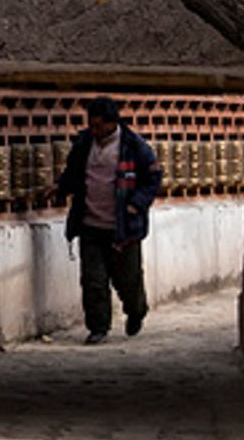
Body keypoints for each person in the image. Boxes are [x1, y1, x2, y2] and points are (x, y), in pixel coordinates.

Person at [52, 95, 163, 344]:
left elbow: (153, 178)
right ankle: (98, 327)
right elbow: (74, 174)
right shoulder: (83, 144)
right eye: (92, 124)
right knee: (93, 280)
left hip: (123, 226)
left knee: (128, 279)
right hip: (90, 223)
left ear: (113, 123)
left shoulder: (134, 146)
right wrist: (60, 187)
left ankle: (136, 311)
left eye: (100, 125)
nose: (95, 130)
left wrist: (137, 204)